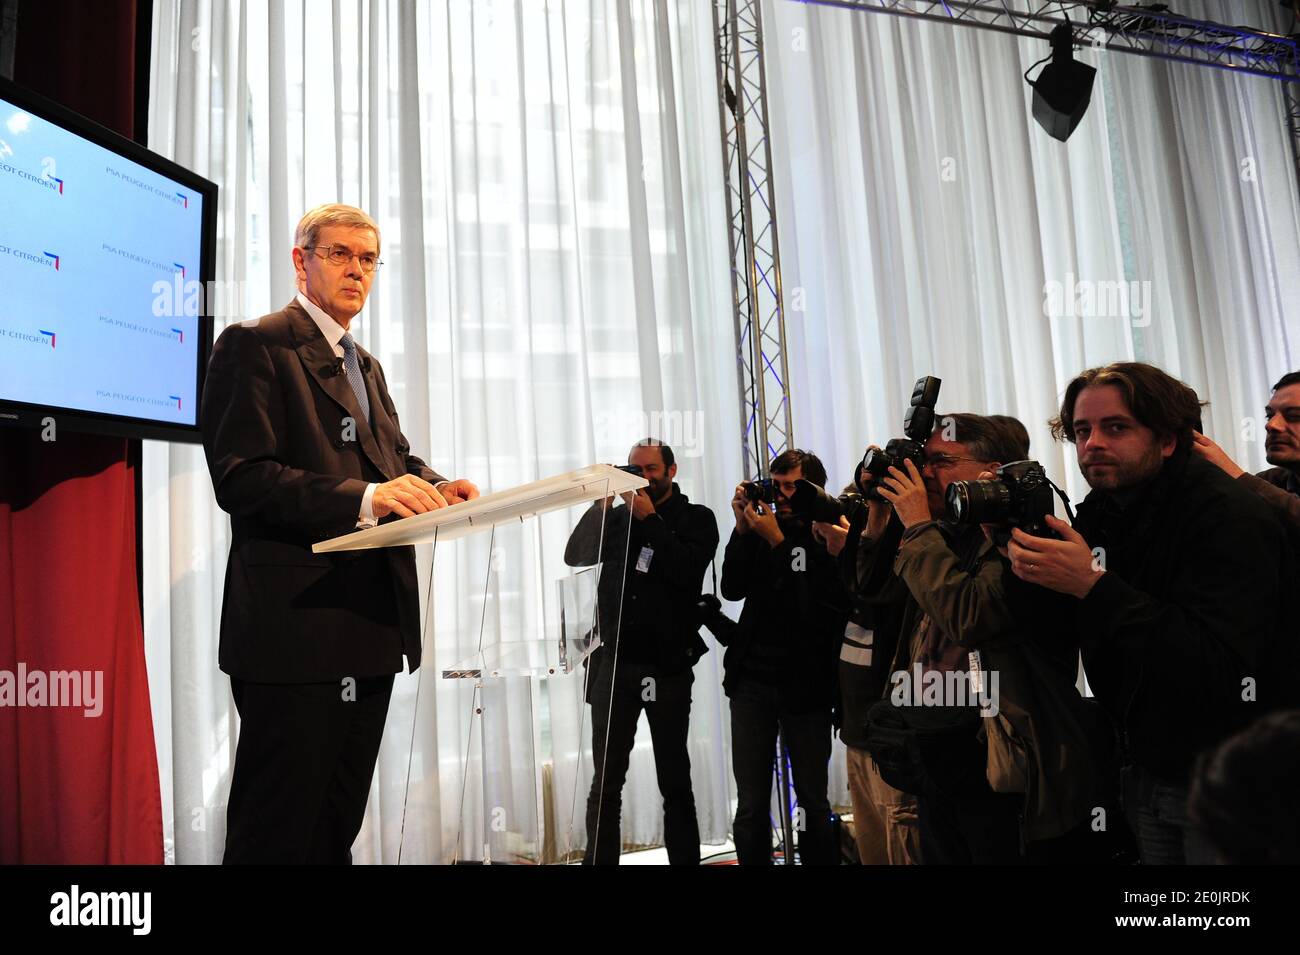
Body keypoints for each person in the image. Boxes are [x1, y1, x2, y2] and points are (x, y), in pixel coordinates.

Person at [200, 203, 478, 863]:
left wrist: (435, 485)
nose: (357, 269)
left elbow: (393, 459)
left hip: (371, 626)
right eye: (340, 254)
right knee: (275, 836)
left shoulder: (367, 365)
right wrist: (366, 498)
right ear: (301, 261)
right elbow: (241, 477)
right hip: (295, 633)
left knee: (332, 834)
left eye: (369, 259)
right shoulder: (255, 344)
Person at [1006, 362, 1296, 864]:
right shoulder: (1102, 510)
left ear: (1166, 439)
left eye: (1115, 427)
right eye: (1081, 431)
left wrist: (1093, 586)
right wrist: (1020, 555)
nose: (1092, 444)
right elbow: (1056, 638)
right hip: (1142, 767)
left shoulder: (1229, 515)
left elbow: (1219, 666)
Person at [564, 439, 718, 864]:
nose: (644, 477)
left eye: (651, 468)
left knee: (674, 779)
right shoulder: (616, 518)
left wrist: (650, 522)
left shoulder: (697, 519)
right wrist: (600, 505)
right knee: (606, 784)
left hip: (666, 666)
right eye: (635, 468)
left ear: (671, 471)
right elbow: (574, 556)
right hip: (613, 663)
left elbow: (686, 573)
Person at [721, 449, 848, 865]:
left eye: (792, 485)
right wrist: (743, 530)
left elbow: (811, 605)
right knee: (751, 803)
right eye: (777, 486)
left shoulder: (833, 534)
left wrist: (777, 540)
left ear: (814, 487)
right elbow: (732, 588)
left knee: (812, 800)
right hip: (753, 681)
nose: (783, 495)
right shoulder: (760, 529)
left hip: (806, 683)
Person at [1191, 370, 1300, 553]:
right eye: (1269, 415)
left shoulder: (1257, 487)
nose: (1271, 425)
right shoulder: (1271, 482)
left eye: (1295, 416)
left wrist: (1234, 473)